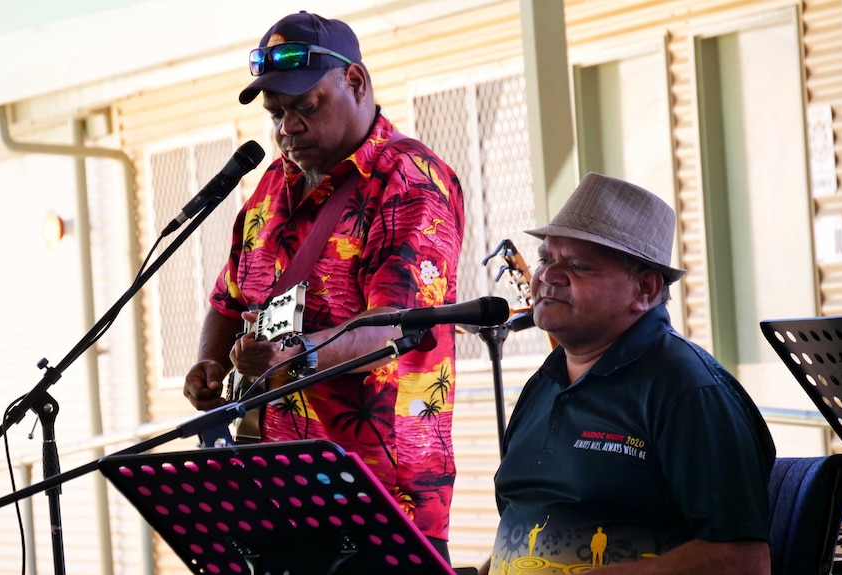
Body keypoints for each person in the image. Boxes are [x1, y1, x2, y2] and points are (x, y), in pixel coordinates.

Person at [182, 11, 465, 561]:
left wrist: (299, 353)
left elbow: (395, 329)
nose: (287, 127)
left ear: (355, 82)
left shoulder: (411, 182)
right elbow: (228, 300)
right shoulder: (271, 187)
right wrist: (210, 364)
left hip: (381, 502)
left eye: (304, 107)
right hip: (272, 487)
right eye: (277, 114)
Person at [479, 173, 775, 574]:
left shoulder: (687, 389)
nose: (548, 276)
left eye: (578, 266)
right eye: (547, 258)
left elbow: (745, 562)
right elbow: (528, 522)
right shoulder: (542, 386)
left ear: (645, 290)